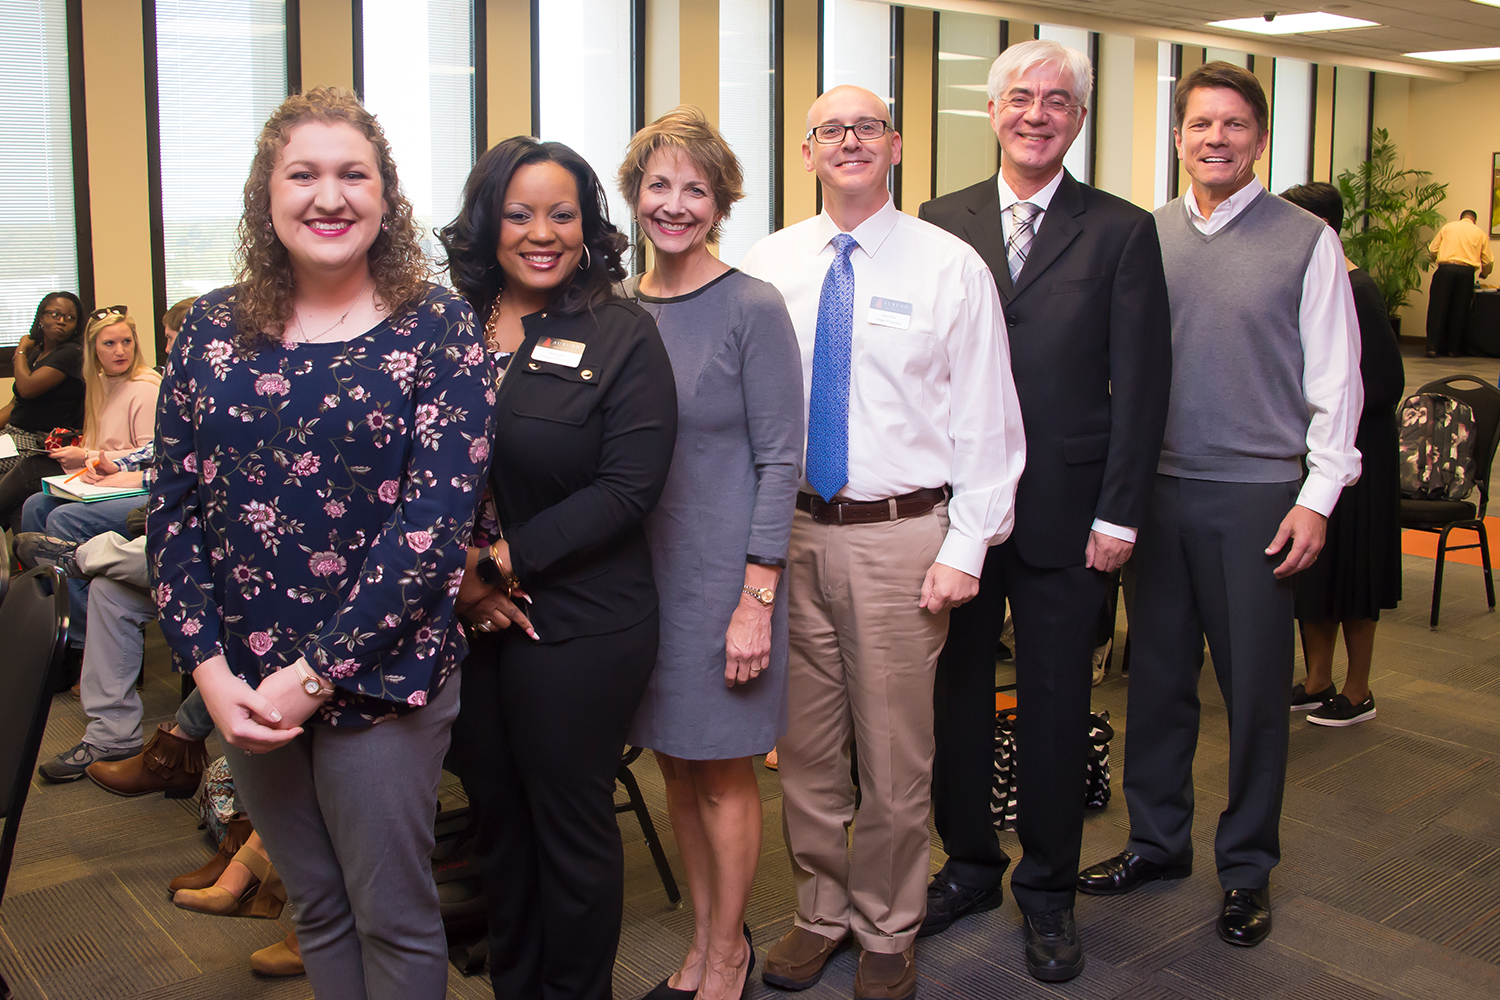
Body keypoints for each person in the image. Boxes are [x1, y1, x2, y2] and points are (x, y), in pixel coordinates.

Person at [148, 86, 494, 999]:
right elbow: (172, 513)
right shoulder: (211, 333)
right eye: (303, 174)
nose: (329, 196)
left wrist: (314, 677)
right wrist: (212, 675)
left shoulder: (439, 329)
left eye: (355, 175)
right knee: (315, 906)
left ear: (387, 199)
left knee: (392, 915)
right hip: (247, 685)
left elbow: (432, 530)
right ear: (268, 196)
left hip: (379, 681)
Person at [740, 85, 1025, 1000]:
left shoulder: (951, 267)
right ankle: (820, 914)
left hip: (902, 539)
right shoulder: (770, 264)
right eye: (832, 129)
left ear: (896, 146)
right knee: (809, 753)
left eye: (868, 127)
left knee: (898, 758)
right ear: (808, 149)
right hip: (791, 534)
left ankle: (888, 927)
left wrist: (966, 548)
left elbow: (990, 424)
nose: (850, 140)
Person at [1078, 62, 1362, 950]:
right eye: (1201, 124)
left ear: (1259, 139)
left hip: (1257, 498)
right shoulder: (1144, 235)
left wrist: (1317, 499)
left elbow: (1338, 383)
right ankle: (1159, 843)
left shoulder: (1305, 240)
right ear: (1177, 135)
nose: (1216, 139)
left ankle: (1246, 868)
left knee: (1251, 695)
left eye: (1235, 125)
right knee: (1156, 683)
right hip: (1155, 494)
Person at [916, 39, 1172, 982]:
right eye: (1019, 97)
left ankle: (1049, 891)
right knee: (958, 700)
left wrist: (1122, 515)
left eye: (1056, 100)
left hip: (1072, 515)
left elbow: (1143, 386)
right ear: (992, 111)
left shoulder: (1121, 230)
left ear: (1079, 116)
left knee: (1061, 707)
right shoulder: (940, 222)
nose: (1036, 113)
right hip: (960, 517)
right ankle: (971, 865)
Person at [439, 136, 677, 1000]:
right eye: (518, 213)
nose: (541, 232)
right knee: (496, 825)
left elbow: (627, 489)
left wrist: (499, 564)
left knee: (568, 829)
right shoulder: (443, 328)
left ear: (587, 227)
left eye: (562, 213)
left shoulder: (620, 335)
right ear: (487, 223)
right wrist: (460, 580)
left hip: (579, 623)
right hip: (463, 621)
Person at [618, 106, 803, 1000]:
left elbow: (782, 459)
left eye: (696, 188)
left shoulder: (751, 307)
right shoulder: (615, 309)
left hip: (725, 580)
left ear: (722, 202)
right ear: (634, 196)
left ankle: (728, 952)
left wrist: (755, 598)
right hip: (638, 584)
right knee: (676, 768)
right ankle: (701, 939)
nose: (676, 203)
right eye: (660, 185)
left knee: (724, 772)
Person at [1281, 182, 1404, 727]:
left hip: (1359, 458)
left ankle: (1358, 690)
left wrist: (1326, 407)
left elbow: (1382, 385)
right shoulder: (1322, 284)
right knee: (1316, 576)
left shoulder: (1357, 288)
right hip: (1318, 453)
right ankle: (1317, 679)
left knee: (1353, 578)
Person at [0, 291, 86, 528]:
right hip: (12, 436)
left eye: (70, 318)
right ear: (41, 317)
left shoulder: (71, 354)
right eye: (55, 314)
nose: (61, 321)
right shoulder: (39, 354)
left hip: (36, 443)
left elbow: (26, 388)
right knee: (14, 499)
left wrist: (20, 350)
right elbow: (16, 403)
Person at [1425, 209, 1492, 357]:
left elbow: (1432, 250)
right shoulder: (1480, 233)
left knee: (1438, 308)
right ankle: (1453, 350)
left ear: (1461, 218)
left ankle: (1432, 348)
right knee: (1459, 310)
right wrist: (1484, 274)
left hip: (1445, 269)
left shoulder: (1448, 227)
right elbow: (1488, 261)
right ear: (1474, 220)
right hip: (1466, 273)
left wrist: (1436, 260)